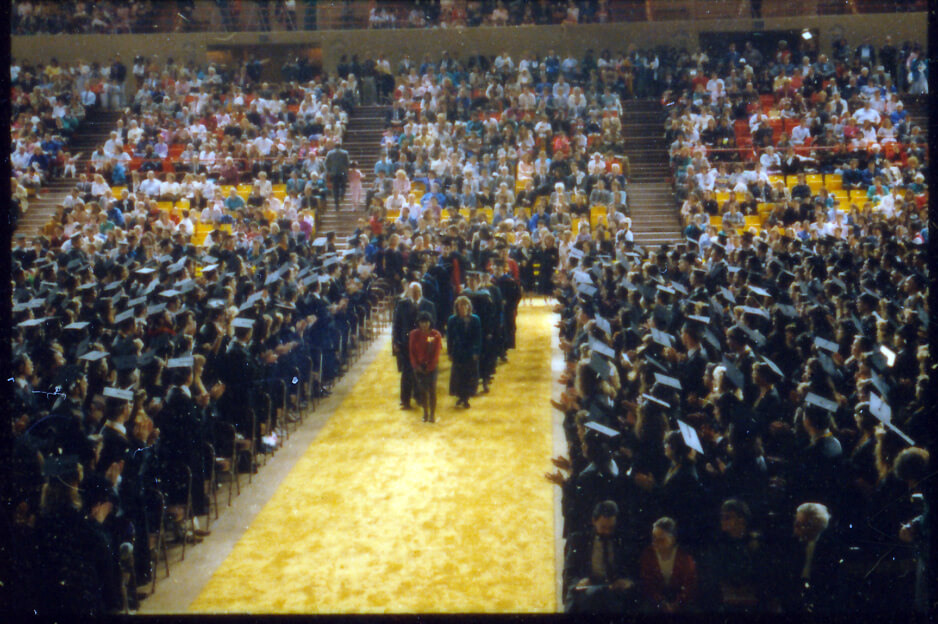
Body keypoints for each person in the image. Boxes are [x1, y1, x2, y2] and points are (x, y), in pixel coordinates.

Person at [563, 500, 637, 613]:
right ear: (594, 521)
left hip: (615, 592)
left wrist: (628, 582)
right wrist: (579, 582)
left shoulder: (624, 540)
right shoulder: (578, 540)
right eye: (603, 527)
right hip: (587, 593)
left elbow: (634, 570)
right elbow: (569, 573)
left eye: (611, 528)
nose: (607, 532)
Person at [392, 282, 436, 410]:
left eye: (418, 291)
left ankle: (420, 397)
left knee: (422, 372)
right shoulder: (402, 305)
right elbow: (396, 325)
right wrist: (395, 342)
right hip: (406, 344)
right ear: (410, 292)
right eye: (414, 291)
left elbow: (434, 325)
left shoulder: (429, 305)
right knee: (406, 373)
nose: (416, 294)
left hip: (423, 345)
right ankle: (405, 400)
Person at [639, 517, 697, 613]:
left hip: (681, 602)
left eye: (661, 539)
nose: (656, 543)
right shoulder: (648, 555)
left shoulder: (684, 557)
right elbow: (647, 584)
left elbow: (690, 586)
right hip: (656, 602)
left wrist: (677, 604)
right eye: (654, 538)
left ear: (673, 539)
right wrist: (661, 602)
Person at [446, 295, 482, 408]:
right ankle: (461, 396)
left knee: (469, 375)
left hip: (470, 352)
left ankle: (466, 398)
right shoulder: (452, 320)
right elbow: (449, 338)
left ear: (468, 306)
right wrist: (450, 352)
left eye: (465, 305)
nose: (462, 308)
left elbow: (478, 337)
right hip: (458, 352)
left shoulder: (475, 319)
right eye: (460, 305)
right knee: (458, 375)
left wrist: (476, 352)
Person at [408, 311, 442, 423]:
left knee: (432, 390)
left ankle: (432, 414)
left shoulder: (435, 335)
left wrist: (430, 367)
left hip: (431, 366)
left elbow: (436, 353)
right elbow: (411, 352)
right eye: (421, 322)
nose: (424, 325)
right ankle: (425, 413)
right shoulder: (414, 334)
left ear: (430, 323)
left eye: (426, 322)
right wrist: (416, 366)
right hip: (418, 367)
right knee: (422, 391)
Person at [324, 142, 350, 210]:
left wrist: (329, 171)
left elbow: (326, 163)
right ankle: (342, 195)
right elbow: (347, 163)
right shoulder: (345, 153)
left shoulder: (329, 153)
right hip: (343, 172)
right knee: (343, 185)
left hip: (334, 173)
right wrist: (346, 170)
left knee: (335, 189)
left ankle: (336, 205)